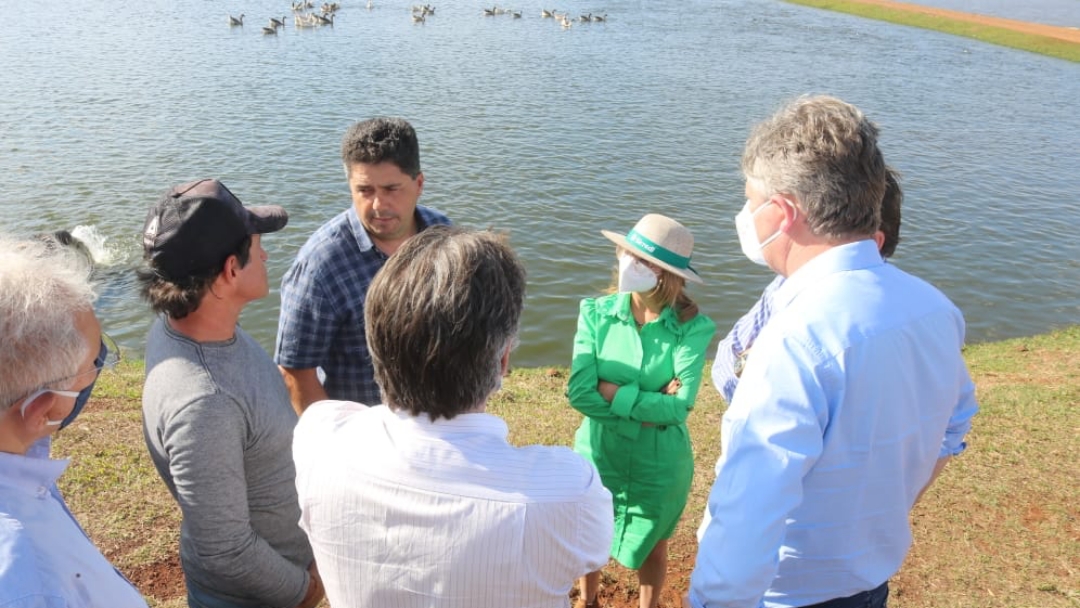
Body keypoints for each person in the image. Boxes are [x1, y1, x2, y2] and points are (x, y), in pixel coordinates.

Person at [686, 95, 978, 608]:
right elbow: (954, 425)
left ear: (781, 212)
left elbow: (747, 515)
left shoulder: (796, 336)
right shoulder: (934, 308)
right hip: (869, 583)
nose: (745, 216)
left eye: (750, 201)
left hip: (789, 593)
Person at [293, 226, 613, 608]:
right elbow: (593, 551)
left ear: (376, 344)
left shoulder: (320, 439)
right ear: (503, 360)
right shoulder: (568, 490)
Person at [137, 179, 323, 608]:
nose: (266, 253)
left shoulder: (183, 326)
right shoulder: (205, 402)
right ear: (229, 271)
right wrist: (306, 590)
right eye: (256, 244)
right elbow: (225, 549)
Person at [568, 214, 717, 608]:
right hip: (598, 453)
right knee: (590, 536)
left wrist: (612, 390)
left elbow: (679, 409)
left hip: (660, 464)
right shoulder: (595, 313)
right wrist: (649, 405)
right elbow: (580, 394)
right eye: (627, 253)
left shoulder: (693, 328)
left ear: (667, 275)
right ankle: (589, 601)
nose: (630, 264)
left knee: (654, 543)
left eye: (645, 261)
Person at [0, 236, 148, 606]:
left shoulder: (23, 466)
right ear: (42, 410)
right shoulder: (24, 576)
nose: (98, 371)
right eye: (93, 364)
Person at [275, 117, 451, 413]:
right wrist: (337, 441)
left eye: (391, 189)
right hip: (362, 437)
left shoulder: (444, 236)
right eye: (365, 190)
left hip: (435, 420)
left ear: (419, 183)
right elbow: (295, 370)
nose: (378, 205)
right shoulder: (320, 265)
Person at [711, 167, 904, 403]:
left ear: (874, 242)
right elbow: (725, 362)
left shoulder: (829, 319)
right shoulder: (784, 286)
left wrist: (751, 367)